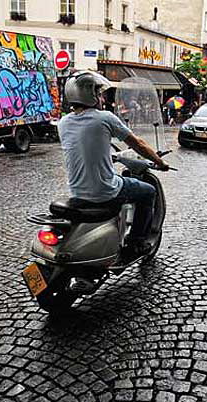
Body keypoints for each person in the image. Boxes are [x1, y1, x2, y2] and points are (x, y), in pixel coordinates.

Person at [58, 71, 169, 260]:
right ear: (90, 95)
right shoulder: (105, 118)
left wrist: (110, 157)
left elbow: (85, 148)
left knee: (125, 182)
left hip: (77, 192)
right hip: (104, 191)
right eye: (99, 93)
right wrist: (160, 162)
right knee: (148, 191)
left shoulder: (63, 122)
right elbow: (138, 144)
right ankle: (136, 243)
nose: (102, 97)